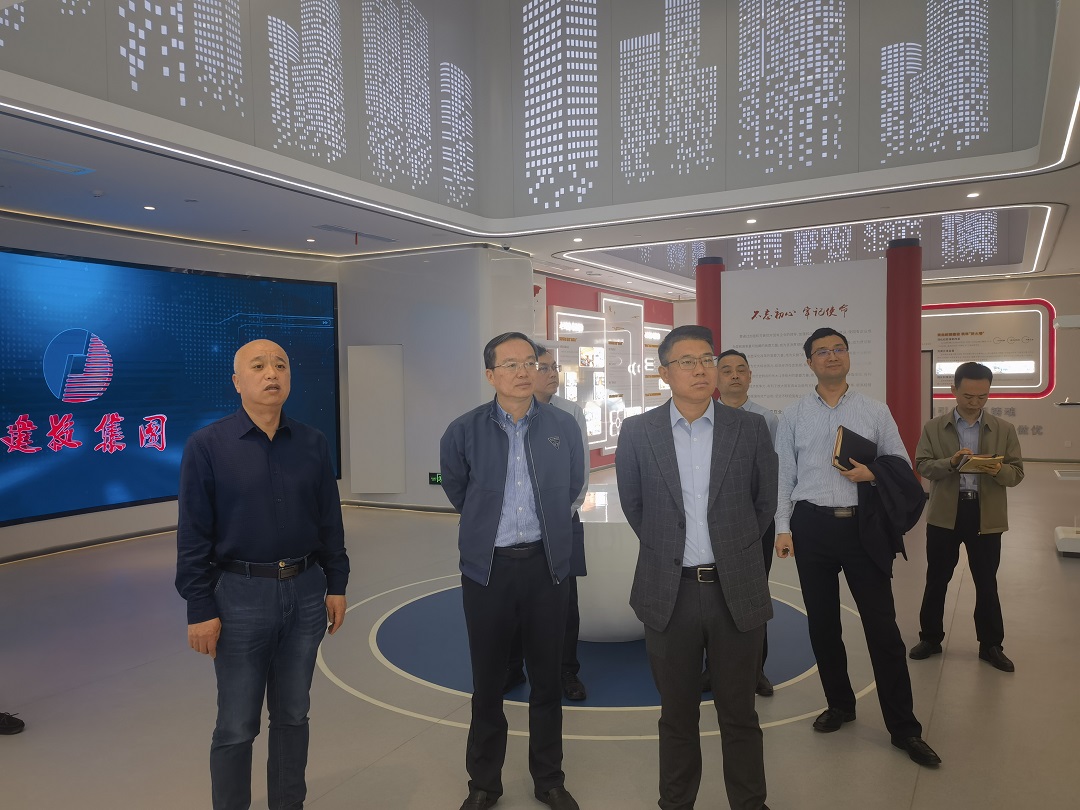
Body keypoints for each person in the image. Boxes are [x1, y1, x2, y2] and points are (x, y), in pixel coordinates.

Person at [176, 339, 350, 810]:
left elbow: (329, 520)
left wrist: (336, 583)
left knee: (293, 714)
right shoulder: (208, 446)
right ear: (237, 381)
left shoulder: (312, 443)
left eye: (280, 365)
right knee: (236, 725)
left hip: (307, 593)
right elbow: (193, 534)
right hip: (239, 597)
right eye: (258, 366)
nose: (272, 373)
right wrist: (199, 607)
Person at [615, 325, 777, 810]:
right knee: (676, 714)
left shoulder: (748, 428)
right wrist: (671, 549)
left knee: (740, 713)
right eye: (687, 361)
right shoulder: (638, 432)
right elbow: (635, 505)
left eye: (707, 359)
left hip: (736, 588)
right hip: (671, 590)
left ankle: (750, 803)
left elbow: (764, 503)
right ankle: (675, 802)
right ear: (664, 373)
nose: (702, 369)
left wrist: (732, 549)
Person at [773, 327, 941, 768]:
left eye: (839, 349)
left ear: (848, 356)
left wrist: (872, 473)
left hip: (862, 527)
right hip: (811, 527)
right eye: (822, 352)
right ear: (809, 362)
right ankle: (840, 704)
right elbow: (783, 476)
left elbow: (900, 463)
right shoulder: (792, 415)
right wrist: (783, 527)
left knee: (882, 628)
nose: (831, 356)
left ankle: (904, 728)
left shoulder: (874, 410)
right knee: (823, 625)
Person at [440, 332, 584, 810]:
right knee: (488, 683)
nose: (524, 372)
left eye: (531, 363)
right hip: (488, 571)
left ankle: (549, 779)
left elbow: (573, 486)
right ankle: (484, 783)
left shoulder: (563, 426)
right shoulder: (463, 430)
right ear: (490, 375)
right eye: (511, 364)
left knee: (547, 681)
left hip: (546, 568)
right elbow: (457, 489)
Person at [910, 362, 1024, 671]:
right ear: (953, 391)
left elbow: (1017, 473)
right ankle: (930, 638)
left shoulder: (1004, 429)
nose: (974, 403)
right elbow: (922, 466)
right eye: (968, 396)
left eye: (982, 396)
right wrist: (951, 462)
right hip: (945, 514)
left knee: (986, 582)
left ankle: (991, 645)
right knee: (937, 579)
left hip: (986, 515)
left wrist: (997, 469)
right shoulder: (934, 428)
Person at [505, 345, 590, 701]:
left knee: (564, 603)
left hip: (561, 524)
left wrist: (557, 518)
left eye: (555, 367)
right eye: (544, 367)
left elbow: (579, 474)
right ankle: (512, 668)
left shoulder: (570, 414)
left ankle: (566, 670)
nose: (553, 374)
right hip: (512, 530)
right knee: (512, 601)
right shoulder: (501, 415)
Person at [712, 348, 779, 698]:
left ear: (750, 376)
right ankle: (713, 669)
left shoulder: (766, 420)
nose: (734, 375)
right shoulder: (702, 417)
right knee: (711, 599)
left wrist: (761, 526)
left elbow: (771, 478)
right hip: (711, 527)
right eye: (726, 370)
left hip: (755, 525)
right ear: (716, 377)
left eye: (741, 369)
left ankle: (756, 670)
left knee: (753, 597)